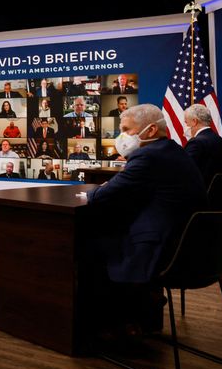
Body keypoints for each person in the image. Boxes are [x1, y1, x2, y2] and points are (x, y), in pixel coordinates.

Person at [85, 104, 207, 307]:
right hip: (188, 245)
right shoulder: (173, 149)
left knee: (87, 245)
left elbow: (99, 196)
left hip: (161, 248)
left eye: (126, 130)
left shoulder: (148, 156)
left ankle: (117, 319)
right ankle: (141, 307)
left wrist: (98, 189)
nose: (122, 136)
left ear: (150, 130)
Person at [183, 104, 222, 188]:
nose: (186, 126)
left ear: (194, 121)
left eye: (186, 122)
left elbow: (184, 172)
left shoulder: (196, 143)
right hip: (221, 197)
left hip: (199, 197)